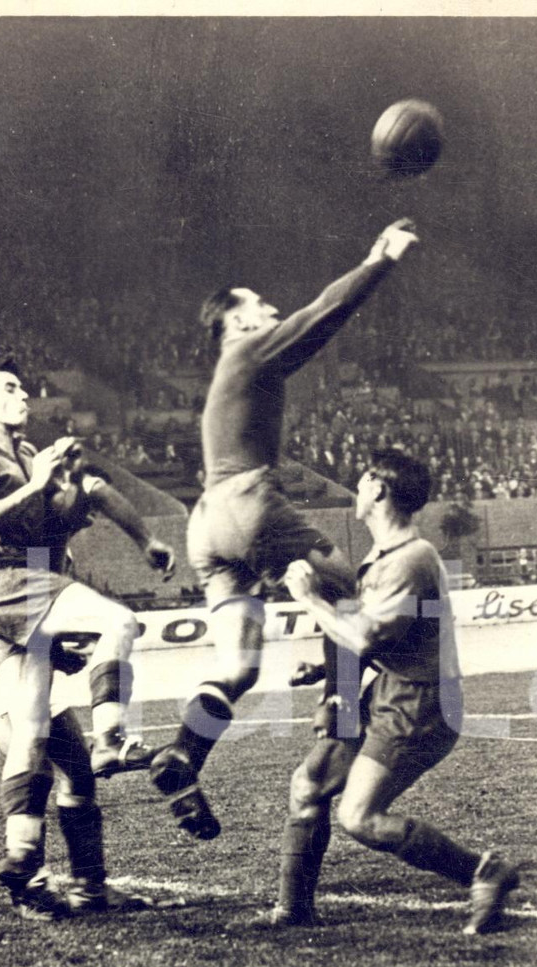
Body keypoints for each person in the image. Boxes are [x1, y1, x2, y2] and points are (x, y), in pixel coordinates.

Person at [150, 218, 421, 841]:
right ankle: (339, 710)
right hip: (249, 505)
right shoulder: (247, 348)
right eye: (260, 303)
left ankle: (186, 755)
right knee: (350, 589)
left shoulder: (232, 371)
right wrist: (380, 258)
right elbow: (324, 314)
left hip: (206, 523)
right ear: (238, 321)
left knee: (239, 668)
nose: (271, 308)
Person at [0, 347, 175, 910]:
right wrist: (39, 483)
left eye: (25, 389)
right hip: (2, 593)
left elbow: (90, 494)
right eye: (13, 389)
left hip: (16, 606)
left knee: (37, 738)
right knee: (119, 621)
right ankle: (112, 739)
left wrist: (68, 484)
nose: (26, 397)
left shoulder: (24, 454)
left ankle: (27, 859)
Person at [260, 451, 523, 935]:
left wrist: (310, 598)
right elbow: (380, 635)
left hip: (420, 703)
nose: (357, 488)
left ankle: (484, 871)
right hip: (391, 691)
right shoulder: (383, 557)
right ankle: (292, 909)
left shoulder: (412, 559)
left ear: (378, 490)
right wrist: (323, 667)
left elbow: (364, 637)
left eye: (362, 480)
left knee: (359, 818)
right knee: (309, 783)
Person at [0, 620, 155, 920]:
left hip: (28, 660)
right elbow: (10, 611)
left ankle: (90, 888)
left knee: (79, 773)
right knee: (31, 762)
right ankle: (32, 889)